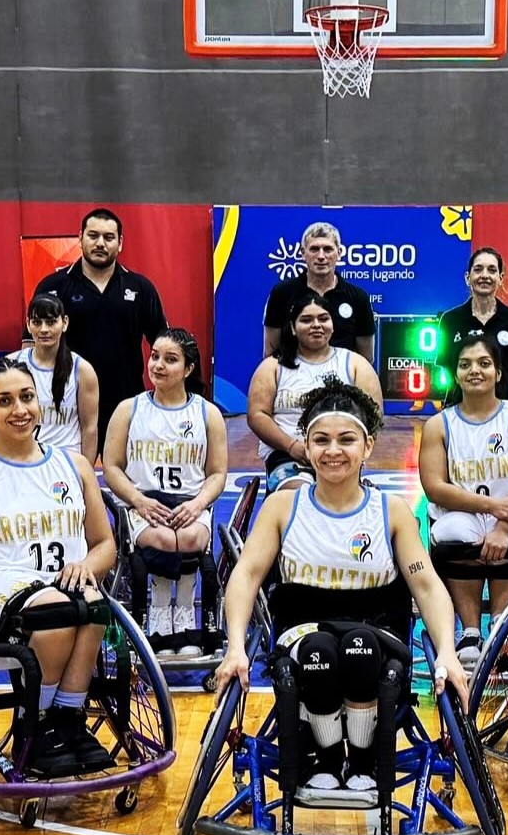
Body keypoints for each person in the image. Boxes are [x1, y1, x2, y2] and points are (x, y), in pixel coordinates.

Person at [215, 378, 469, 793]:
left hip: (376, 636)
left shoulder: (392, 511)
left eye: (346, 440)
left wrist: (447, 653)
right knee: (320, 651)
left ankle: (365, 762)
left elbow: (426, 586)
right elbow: (245, 576)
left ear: (368, 445)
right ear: (306, 445)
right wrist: (236, 647)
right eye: (321, 440)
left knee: (358, 649)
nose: (333, 451)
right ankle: (328, 760)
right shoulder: (283, 505)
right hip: (303, 637)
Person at [0, 359, 116, 777]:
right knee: (57, 607)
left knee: (94, 603)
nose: (19, 409)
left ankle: (67, 722)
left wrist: (87, 563)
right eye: (5, 401)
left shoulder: (75, 466)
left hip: (68, 589)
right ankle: (32, 724)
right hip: (1, 599)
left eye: (27, 397)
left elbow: (106, 545)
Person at [419, 336, 508, 666]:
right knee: (455, 535)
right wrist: (492, 508)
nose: (474, 370)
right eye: (465, 364)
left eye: (483, 363)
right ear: (456, 374)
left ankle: (501, 627)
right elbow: (435, 487)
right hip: (464, 512)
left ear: (499, 373)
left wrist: (503, 527)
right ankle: (471, 630)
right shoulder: (439, 424)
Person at [103, 328, 227, 658]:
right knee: (160, 540)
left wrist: (199, 503)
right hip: (143, 500)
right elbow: (112, 468)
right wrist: (139, 501)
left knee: (187, 540)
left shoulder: (207, 413)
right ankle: (159, 614)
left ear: (188, 369)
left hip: (190, 502)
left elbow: (217, 473)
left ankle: (184, 611)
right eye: (154, 356)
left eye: (170, 359)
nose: (158, 364)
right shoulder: (128, 409)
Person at [31, 208, 168, 452]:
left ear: (120, 243)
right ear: (80, 238)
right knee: (69, 479)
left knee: (126, 481)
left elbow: (165, 345)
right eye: (93, 235)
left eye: (108, 237)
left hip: (125, 402)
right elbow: (30, 349)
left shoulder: (141, 288)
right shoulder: (53, 286)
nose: (100, 243)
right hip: (67, 404)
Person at [248, 293, 382, 493]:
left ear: (333, 325)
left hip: (339, 453)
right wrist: (293, 446)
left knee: (337, 497)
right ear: (293, 328)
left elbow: (374, 414)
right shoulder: (273, 367)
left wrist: (341, 447)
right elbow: (257, 415)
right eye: (306, 320)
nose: (316, 325)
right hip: (287, 455)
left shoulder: (355, 364)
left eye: (323, 319)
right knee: (302, 495)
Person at [262, 222, 376, 361]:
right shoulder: (281, 293)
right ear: (303, 253)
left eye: (327, 249)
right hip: (293, 379)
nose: (321, 256)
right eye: (314, 249)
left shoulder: (358, 298)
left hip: (341, 380)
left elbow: (366, 358)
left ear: (339, 253)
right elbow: (270, 354)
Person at [435, 248, 508, 400]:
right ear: (468, 278)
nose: (485, 275)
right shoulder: (450, 320)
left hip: (500, 409)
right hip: (458, 407)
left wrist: (494, 390)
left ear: (500, 278)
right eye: (478, 269)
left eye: (492, 270)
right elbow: (446, 365)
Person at [17, 293, 101, 460]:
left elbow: (89, 428)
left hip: (67, 462)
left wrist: (85, 473)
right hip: (24, 460)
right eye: (37, 322)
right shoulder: (14, 364)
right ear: (28, 324)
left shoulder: (82, 369)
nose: (44, 329)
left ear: (65, 323)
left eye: (51, 322)